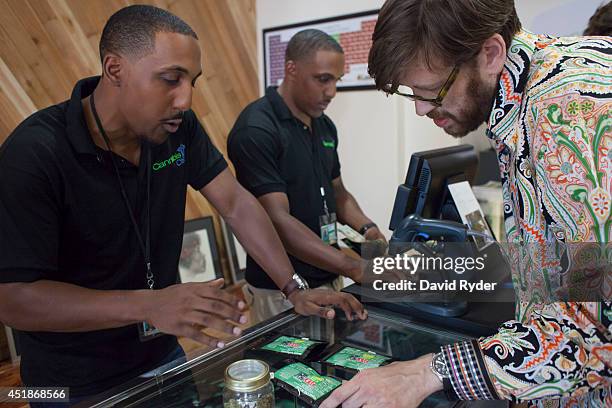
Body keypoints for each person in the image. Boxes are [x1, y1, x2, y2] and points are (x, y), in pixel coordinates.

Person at [0, 5, 366, 404]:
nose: (186, 99)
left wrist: (292, 288)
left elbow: (236, 203)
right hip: (66, 384)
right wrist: (147, 303)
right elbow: (12, 299)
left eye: (192, 81)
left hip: (163, 357)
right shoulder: (34, 153)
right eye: (170, 79)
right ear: (114, 69)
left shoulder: (179, 130)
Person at [321, 0, 611, 407]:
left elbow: (592, 333)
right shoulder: (537, 84)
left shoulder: (569, 116)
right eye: (413, 95)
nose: (422, 109)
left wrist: (426, 373)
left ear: (490, 53)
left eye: (432, 92)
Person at [227, 29, 386, 323]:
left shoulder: (324, 126)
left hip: (330, 275)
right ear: (291, 69)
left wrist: (368, 229)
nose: (331, 92)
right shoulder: (256, 130)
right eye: (323, 79)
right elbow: (277, 221)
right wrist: (353, 267)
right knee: (290, 368)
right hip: (282, 288)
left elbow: (338, 192)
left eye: (336, 81)